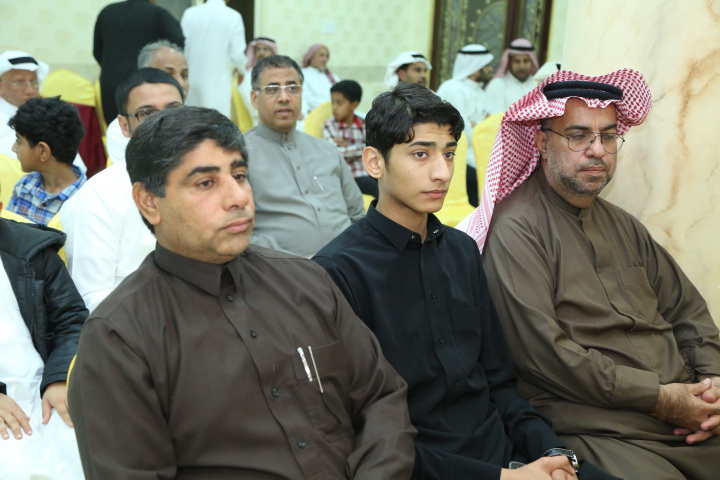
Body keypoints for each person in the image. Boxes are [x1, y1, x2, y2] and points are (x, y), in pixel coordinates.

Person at [67, 105, 416, 479]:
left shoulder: (307, 281)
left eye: (239, 175)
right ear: (150, 202)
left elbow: (381, 400)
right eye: (206, 183)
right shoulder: (120, 336)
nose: (238, 197)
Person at [314, 82, 619, 480]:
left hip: (507, 452)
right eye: (420, 154)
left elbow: (500, 384)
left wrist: (552, 452)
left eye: (449, 154)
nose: (442, 173)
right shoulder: (338, 272)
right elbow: (360, 432)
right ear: (374, 162)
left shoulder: (461, 250)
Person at [468, 68, 720, 479]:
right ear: (541, 142)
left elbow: (687, 311)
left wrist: (712, 383)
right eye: (578, 136)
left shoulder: (623, 225)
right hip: (601, 426)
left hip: (685, 409)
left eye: (608, 136)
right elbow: (545, 356)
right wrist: (660, 399)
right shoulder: (517, 229)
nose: (597, 150)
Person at [59, 68, 184, 313]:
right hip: (138, 323)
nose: (164, 122)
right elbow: (91, 297)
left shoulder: (207, 181)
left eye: (173, 110)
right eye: (147, 113)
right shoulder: (102, 194)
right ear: (124, 126)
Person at [0, 185, 86, 479]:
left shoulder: (32, 251)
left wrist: (60, 378)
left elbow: (72, 321)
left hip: (47, 388)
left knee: (85, 452)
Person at [245, 55, 364, 257]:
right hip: (282, 271)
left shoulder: (327, 151)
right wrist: (295, 264)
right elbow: (238, 232)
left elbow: (357, 215)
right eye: (273, 89)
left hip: (350, 264)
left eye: (293, 88)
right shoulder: (239, 157)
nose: (284, 97)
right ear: (255, 99)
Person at [93, 0, 184, 124]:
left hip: (110, 83)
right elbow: (179, 41)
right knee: (148, 127)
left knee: (117, 126)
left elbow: (97, 51)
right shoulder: (157, 13)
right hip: (144, 83)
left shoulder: (107, 12)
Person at [105, 39, 189, 166]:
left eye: (184, 75)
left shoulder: (197, 121)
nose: (180, 83)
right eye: (148, 113)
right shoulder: (120, 130)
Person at [6, 97, 86, 225]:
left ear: (43, 151)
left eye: (19, 141)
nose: (14, 148)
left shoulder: (84, 201)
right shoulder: (25, 186)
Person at [437, 44, 494, 207]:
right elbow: (460, 128)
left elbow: (488, 125)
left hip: (478, 153)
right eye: (487, 65)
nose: (491, 69)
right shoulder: (452, 88)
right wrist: (479, 127)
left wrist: (478, 126)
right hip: (458, 154)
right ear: (475, 68)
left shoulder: (480, 92)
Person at [181, 0, 246, 118]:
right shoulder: (233, 16)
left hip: (192, 81)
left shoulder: (190, 13)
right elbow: (237, 54)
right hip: (218, 84)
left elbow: (184, 48)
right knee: (216, 122)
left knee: (191, 120)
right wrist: (241, 71)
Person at [322, 80, 376, 197]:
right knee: (376, 190)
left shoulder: (363, 124)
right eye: (333, 102)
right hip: (349, 177)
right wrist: (363, 148)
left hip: (370, 172)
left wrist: (347, 147)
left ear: (354, 105)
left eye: (339, 103)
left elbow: (375, 150)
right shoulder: (330, 125)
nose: (334, 107)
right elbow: (335, 153)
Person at [485, 38, 538, 115]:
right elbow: (496, 117)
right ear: (509, 62)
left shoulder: (538, 85)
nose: (522, 66)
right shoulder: (497, 85)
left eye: (526, 61)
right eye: (517, 61)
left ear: (532, 62)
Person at [238, 36, 278, 125]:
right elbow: (252, 104)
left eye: (265, 49)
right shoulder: (248, 75)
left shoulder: (280, 73)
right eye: (258, 49)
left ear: (273, 52)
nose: (261, 53)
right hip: (260, 121)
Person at [301, 43, 339, 115]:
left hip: (336, 112)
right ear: (311, 57)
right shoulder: (303, 74)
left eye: (327, 56)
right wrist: (332, 108)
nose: (325, 59)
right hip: (317, 113)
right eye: (321, 55)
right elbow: (308, 99)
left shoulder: (332, 76)